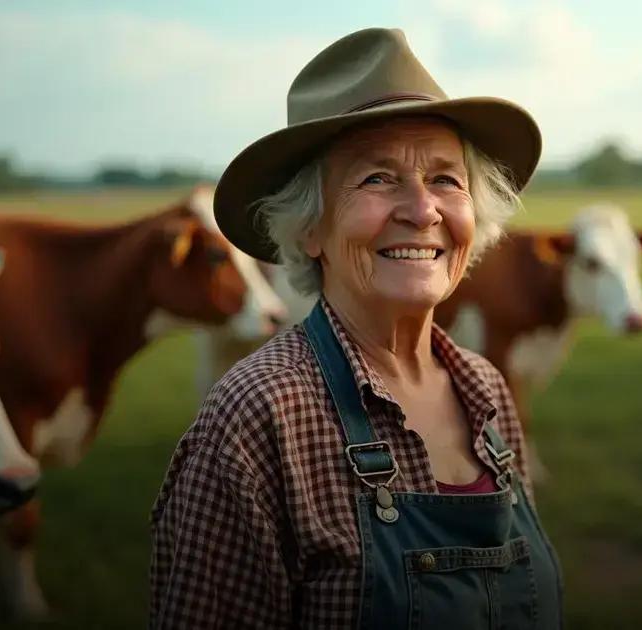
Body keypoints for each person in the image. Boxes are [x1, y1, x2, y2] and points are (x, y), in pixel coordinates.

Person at [149, 27, 562, 629]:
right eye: (377, 179)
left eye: (447, 179)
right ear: (308, 229)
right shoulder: (257, 416)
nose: (423, 212)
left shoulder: (486, 387)